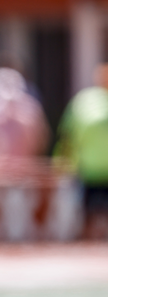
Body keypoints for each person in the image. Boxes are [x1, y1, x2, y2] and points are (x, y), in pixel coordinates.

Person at [53, 63, 108, 238]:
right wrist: (63, 159)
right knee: (88, 214)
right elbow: (68, 134)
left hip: (91, 169)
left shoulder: (83, 100)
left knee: (91, 215)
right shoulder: (84, 101)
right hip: (89, 170)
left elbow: (67, 134)